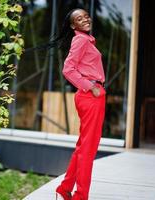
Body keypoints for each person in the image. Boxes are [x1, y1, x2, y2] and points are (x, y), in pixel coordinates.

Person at [53, 8, 106, 200]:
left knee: (83, 147)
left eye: (85, 16)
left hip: (92, 95)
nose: (85, 19)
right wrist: (90, 86)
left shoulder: (86, 40)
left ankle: (65, 188)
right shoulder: (81, 40)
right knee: (87, 150)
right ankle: (80, 196)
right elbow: (68, 69)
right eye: (79, 18)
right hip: (91, 95)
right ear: (73, 25)